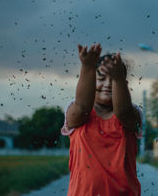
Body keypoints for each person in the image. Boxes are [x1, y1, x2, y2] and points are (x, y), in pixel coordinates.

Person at [61, 43, 143, 196]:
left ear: (124, 85)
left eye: (113, 79)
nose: (107, 84)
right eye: (101, 78)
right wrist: (87, 67)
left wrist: (118, 79)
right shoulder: (75, 112)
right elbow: (83, 108)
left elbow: (122, 112)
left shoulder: (133, 114)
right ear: (91, 81)